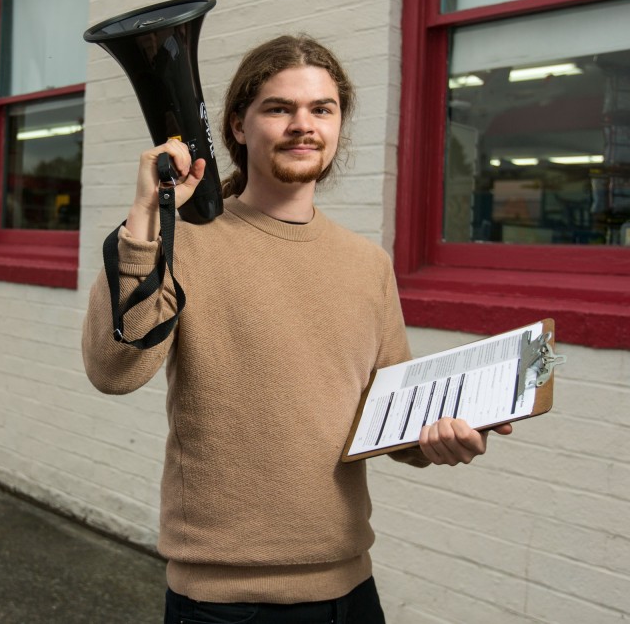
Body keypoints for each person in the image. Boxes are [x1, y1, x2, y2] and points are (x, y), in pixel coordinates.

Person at [81, 34, 512, 623]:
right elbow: (114, 370)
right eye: (279, 108)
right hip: (224, 604)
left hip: (351, 592)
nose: (302, 125)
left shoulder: (367, 264)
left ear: (339, 125)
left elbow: (389, 417)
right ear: (237, 126)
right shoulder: (186, 241)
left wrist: (439, 436)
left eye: (321, 109)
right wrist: (146, 216)